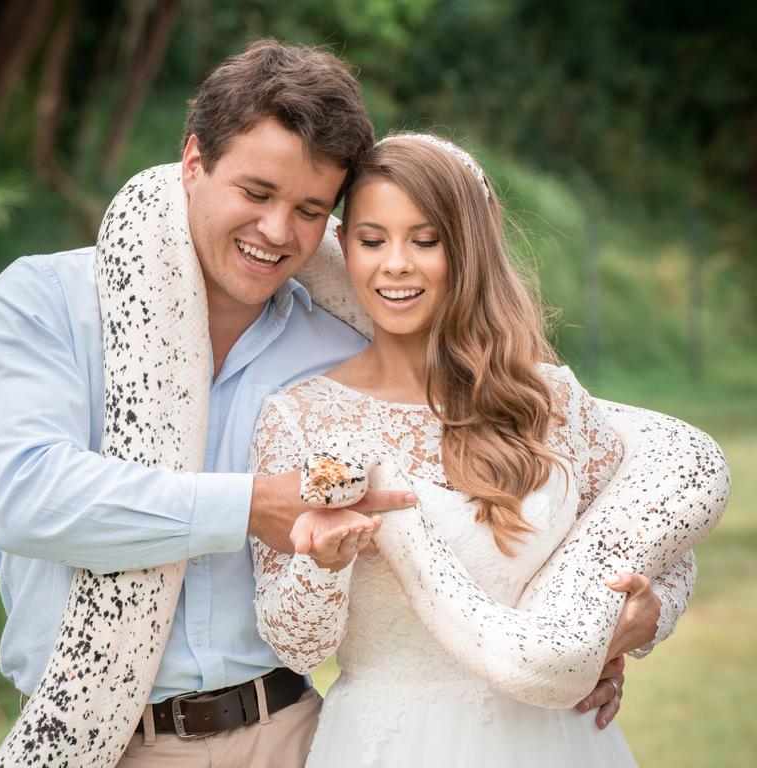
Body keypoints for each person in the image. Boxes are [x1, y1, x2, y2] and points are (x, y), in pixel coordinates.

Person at [0, 41, 687, 767]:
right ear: (192, 163)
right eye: (255, 192)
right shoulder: (49, 301)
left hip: (291, 734)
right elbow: (25, 496)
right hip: (109, 742)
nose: (277, 232)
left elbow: (582, 499)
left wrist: (612, 626)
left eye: (309, 209)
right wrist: (251, 505)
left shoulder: (338, 341)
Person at [249, 134, 691, 766]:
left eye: (425, 241)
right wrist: (321, 565)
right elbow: (294, 646)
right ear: (343, 246)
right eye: (373, 241)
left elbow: (664, 554)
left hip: (560, 741)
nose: (395, 264)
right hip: (389, 743)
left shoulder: (551, 400)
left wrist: (651, 615)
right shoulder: (301, 420)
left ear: (467, 249)